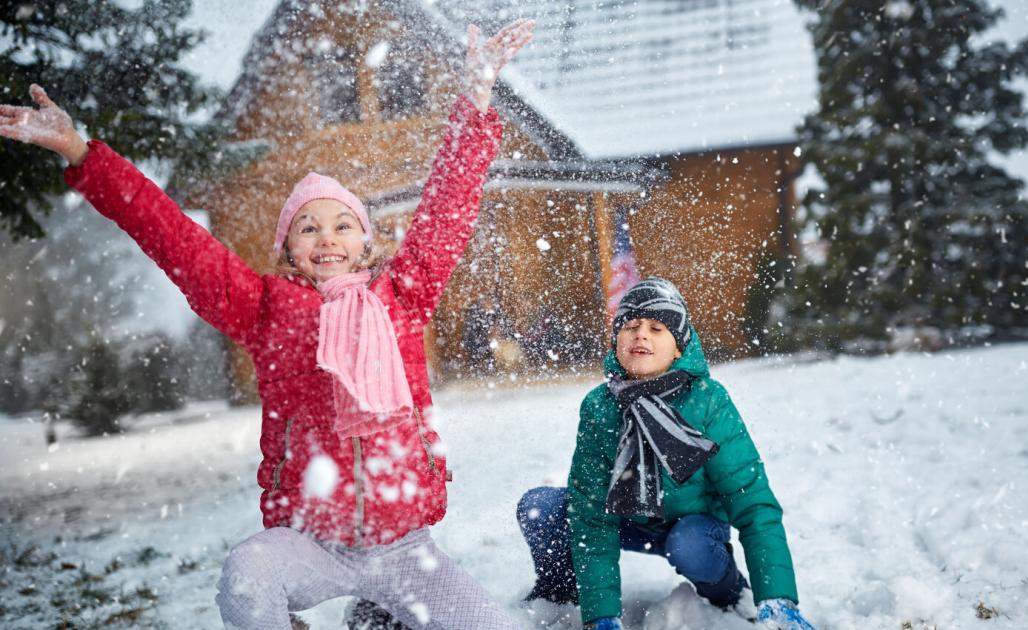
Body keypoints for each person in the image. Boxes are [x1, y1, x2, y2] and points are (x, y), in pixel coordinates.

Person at [0, 19, 535, 630]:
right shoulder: (265, 308)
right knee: (247, 576)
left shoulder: (401, 297)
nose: (327, 237)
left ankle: (380, 612)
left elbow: (447, 207)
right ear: (288, 250)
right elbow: (173, 235)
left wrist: (475, 97)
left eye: (342, 225)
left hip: (404, 548)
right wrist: (80, 152)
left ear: (366, 241)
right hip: (312, 544)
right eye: (308, 227)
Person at [516, 278, 818, 630]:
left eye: (656, 327)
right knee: (542, 508)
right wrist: (600, 616)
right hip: (629, 519)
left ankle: (730, 592)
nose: (641, 334)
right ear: (617, 342)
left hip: (693, 525)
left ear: (678, 348)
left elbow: (752, 501)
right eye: (631, 326)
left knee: (689, 544)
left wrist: (777, 595)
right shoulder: (600, 407)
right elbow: (592, 515)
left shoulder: (707, 400)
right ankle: (565, 595)